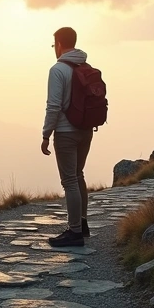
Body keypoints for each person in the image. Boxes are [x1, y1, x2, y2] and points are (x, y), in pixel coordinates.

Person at [40, 26, 92, 248]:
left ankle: (74, 232)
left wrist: (46, 134)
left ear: (59, 44)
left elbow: (54, 106)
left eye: (54, 45)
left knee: (69, 180)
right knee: (78, 175)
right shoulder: (85, 66)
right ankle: (82, 223)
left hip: (65, 132)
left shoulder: (58, 69)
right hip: (86, 130)